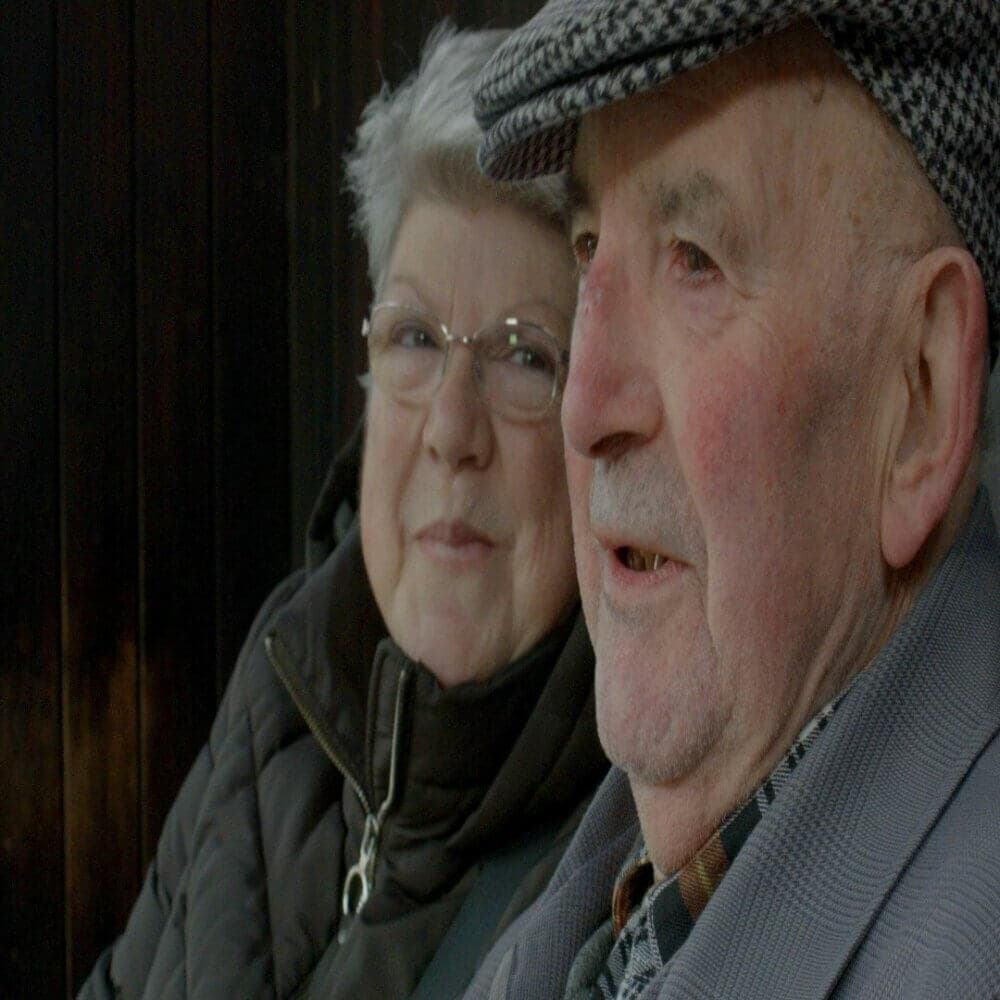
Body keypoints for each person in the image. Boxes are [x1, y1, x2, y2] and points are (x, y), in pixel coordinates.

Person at [460, 2, 1000, 998]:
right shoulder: (633, 873)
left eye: (693, 260)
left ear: (918, 397)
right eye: (587, 251)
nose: (581, 408)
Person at [79, 24, 607, 1000]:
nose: (451, 426)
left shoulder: (622, 866)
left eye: (525, 354)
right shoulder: (279, 690)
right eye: (414, 336)